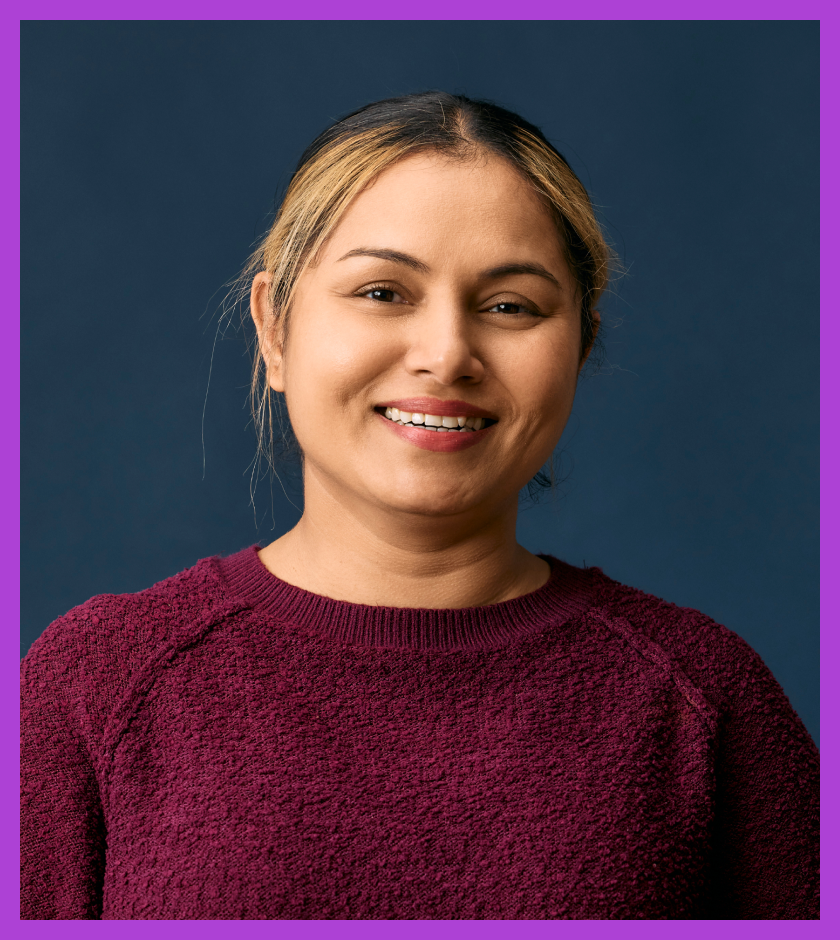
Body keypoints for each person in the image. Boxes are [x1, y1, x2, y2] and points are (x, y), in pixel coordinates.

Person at [20, 92, 819, 920]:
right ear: (274, 329)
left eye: (511, 306)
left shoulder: (702, 697)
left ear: (579, 346)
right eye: (381, 292)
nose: (446, 355)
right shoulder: (98, 682)